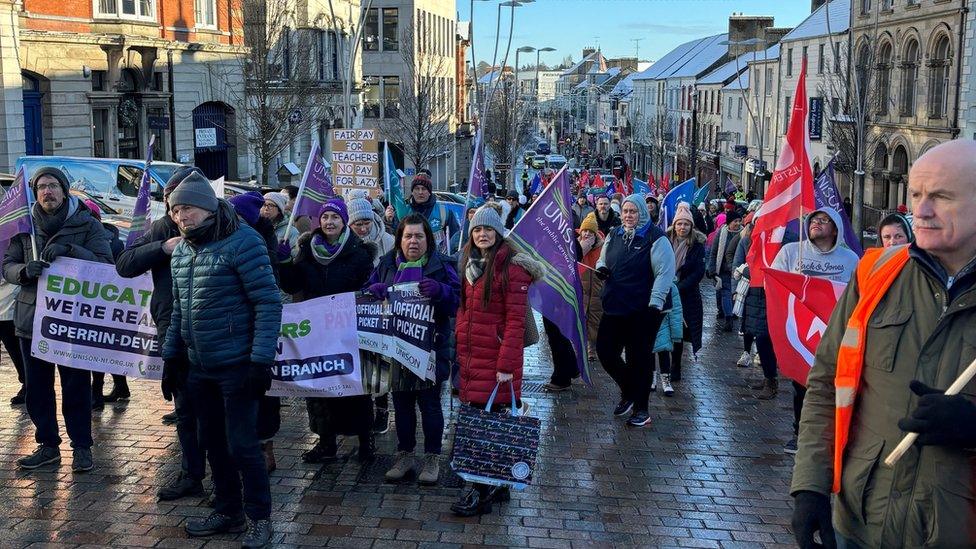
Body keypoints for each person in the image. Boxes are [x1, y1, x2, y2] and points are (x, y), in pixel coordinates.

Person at [790, 140, 976, 549]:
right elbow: (826, 383)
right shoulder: (877, 271)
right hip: (860, 518)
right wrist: (810, 485)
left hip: (953, 530)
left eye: (941, 197)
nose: (920, 211)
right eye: (915, 195)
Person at [162, 173, 281, 546]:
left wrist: (260, 361)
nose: (182, 216)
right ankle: (229, 510)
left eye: (189, 208)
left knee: (243, 444)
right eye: (176, 210)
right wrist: (172, 357)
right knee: (211, 440)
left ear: (209, 207)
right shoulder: (182, 250)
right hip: (201, 365)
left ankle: (259, 516)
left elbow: (268, 301)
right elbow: (180, 308)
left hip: (239, 365)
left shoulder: (243, 242)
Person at [3, 167, 113, 472]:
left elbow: (106, 264)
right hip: (31, 319)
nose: (47, 191)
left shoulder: (86, 224)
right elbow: (7, 265)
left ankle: (82, 447)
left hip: (72, 320)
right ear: (35, 193)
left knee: (76, 386)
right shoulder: (24, 226)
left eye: (53, 186)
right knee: (37, 388)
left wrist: (70, 251)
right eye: (41, 187)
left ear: (64, 190)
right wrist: (24, 272)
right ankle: (47, 445)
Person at [117, 167, 208, 500]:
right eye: (172, 200)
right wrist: (162, 248)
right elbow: (125, 264)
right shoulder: (160, 228)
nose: (179, 209)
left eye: (185, 200)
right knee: (184, 408)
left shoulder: (221, 226)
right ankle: (191, 474)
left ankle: (229, 483)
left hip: (213, 330)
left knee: (217, 409)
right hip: (172, 327)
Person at [452, 206, 540, 517]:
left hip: (498, 361)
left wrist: (505, 366)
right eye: (477, 230)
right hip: (473, 355)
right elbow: (465, 310)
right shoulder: (468, 263)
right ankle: (496, 483)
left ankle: (480, 491)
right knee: (482, 420)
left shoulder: (512, 268)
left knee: (488, 425)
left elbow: (515, 321)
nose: (483, 235)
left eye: (488, 230)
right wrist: (459, 340)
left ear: (498, 233)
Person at [278, 199, 377, 463]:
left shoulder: (360, 253)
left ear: (344, 221)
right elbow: (292, 285)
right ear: (318, 222)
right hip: (316, 333)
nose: (329, 222)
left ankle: (366, 440)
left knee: (354, 385)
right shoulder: (308, 251)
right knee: (319, 386)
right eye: (325, 217)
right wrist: (284, 262)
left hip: (348, 331)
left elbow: (366, 289)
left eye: (335, 217)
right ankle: (326, 442)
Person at [364, 214, 459, 485]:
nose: (413, 241)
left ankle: (432, 458)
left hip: (431, 349)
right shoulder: (386, 264)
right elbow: (365, 295)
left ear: (428, 239)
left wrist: (441, 290)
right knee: (402, 406)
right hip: (396, 351)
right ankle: (404, 455)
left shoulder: (441, 266)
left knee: (430, 406)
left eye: (419, 236)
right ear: (399, 240)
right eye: (408, 236)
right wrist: (375, 289)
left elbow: (457, 303)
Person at [770, 207, 859, 452]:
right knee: (801, 383)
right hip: (800, 330)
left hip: (833, 332)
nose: (816, 224)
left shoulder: (850, 260)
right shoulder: (791, 252)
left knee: (830, 385)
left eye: (823, 220)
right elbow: (775, 286)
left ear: (835, 229)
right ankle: (800, 433)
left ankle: (830, 436)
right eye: (814, 220)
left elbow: (857, 294)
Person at [595, 194, 676, 427]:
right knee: (605, 351)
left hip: (644, 309)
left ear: (643, 213)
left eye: (633, 211)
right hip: (615, 303)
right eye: (625, 211)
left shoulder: (656, 238)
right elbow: (604, 257)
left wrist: (655, 304)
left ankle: (641, 409)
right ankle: (629, 390)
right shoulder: (615, 233)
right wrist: (602, 268)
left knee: (638, 358)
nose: (628, 216)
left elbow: (665, 273)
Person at [229, 191, 285, 474]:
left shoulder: (261, 245)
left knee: (264, 395)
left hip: (257, 333)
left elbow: (268, 295)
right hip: (232, 335)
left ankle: (266, 447)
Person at [81, 199, 130, 410]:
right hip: (103, 301)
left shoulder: (109, 242)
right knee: (108, 345)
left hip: (105, 301)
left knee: (99, 346)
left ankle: (96, 392)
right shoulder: (112, 239)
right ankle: (121, 386)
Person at [667, 203, 705, 382]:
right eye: (679, 224)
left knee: (679, 332)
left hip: (686, 296)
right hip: (664, 292)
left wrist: (678, 287)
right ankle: (662, 367)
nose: (682, 227)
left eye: (686, 224)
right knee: (663, 330)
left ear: (691, 226)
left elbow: (698, 272)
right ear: (674, 225)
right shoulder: (665, 241)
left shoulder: (697, 246)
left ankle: (676, 366)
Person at [395, 173, 459, 255]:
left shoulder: (444, 211)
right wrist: (388, 220)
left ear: (429, 192)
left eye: (424, 189)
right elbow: (395, 236)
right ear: (412, 191)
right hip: (410, 261)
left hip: (437, 262)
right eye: (417, 188)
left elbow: (456, 237)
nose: (420, 192)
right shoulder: (403, 211)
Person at [576, 212, 605, 365]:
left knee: (595, 320)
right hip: (582, 289)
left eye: (590, 231)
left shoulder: (602, 247)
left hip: (597, 291)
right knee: (581, 319)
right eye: (585, 231)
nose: (587, 233)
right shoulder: (576, 245)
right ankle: (581, 348)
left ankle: (592, 349)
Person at [706, 210, 742, 332]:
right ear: (729, 222)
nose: (737, 223)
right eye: (735, 221)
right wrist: (711, 269)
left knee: (734, 294)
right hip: (723, 270)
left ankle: (731, 313)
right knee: (726, 293)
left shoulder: (744, 234)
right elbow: (714, 252)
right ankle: (728, 318)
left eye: (739, 221)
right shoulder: (721, 233)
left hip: (738, 270)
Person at [348, 197, 395, 264]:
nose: (363, 229)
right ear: (349, 224)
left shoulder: (389, 241)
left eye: (367, 223)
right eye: (358, 225)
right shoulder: (340, 244)